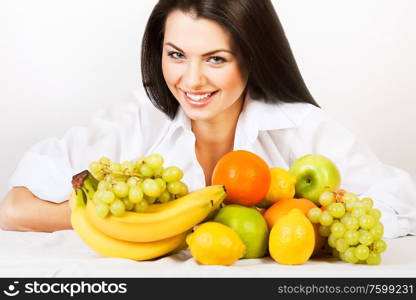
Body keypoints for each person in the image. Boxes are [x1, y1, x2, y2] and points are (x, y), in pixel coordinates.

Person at [0, 0, 415, 237]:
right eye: (176, 55)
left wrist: (294, 223)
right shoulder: (137, 118)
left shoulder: (300, 127)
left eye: (216, 59)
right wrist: (150, 222)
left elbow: (402, 203)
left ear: (254, 59)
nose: (191, 80)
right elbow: (14, 209)